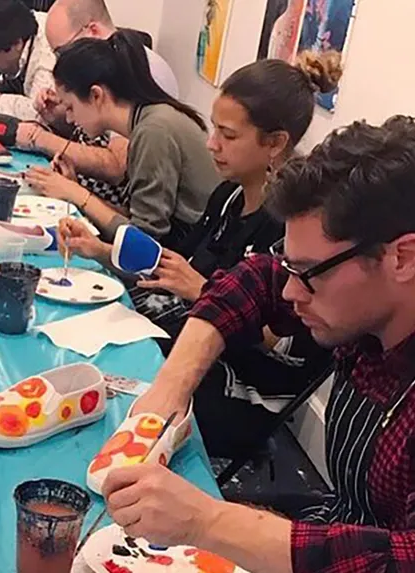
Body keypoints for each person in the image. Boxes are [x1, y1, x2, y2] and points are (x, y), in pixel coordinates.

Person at [100, 115, 415, 572]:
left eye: (306, 274)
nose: (290, 292)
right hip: (336, 523)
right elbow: (258, 281)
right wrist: (167, 392)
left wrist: (208, 521)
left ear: (403, 257)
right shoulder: (373, 302)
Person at [59, 54, 341, 457]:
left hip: (244, 389)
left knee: (108, 401)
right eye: (213, 129)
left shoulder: (290, 232)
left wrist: (201, 290)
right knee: (88, 360)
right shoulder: (227, 197)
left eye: (228, 135)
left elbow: (287, 344)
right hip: (194, 343)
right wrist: (100, 250)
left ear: (275, 143)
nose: (211, 144)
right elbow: (173, 266)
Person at [26, 32, 218, 251]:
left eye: (70, 107)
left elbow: (144, 243)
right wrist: (75, 188)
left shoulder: (154, 130)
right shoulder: (148, 120)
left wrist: (77, 194)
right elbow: (134, 217)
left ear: (96, 95)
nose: (69, 118)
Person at [14, 0, 179, 209]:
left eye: (62, 52)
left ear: (92, 30)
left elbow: (117, 167)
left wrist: (38, 138)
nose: (60, 61)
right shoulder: (111, 63)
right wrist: (59, 114)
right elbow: (95, 135)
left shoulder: (137, 70)